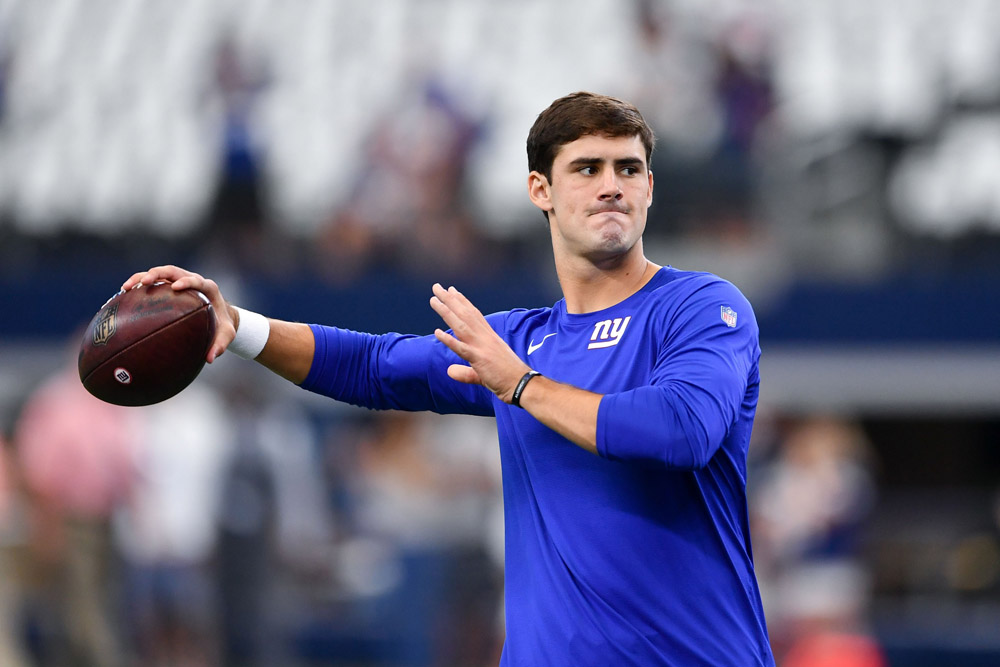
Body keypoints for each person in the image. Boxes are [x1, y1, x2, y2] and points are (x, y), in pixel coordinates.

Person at [123, 91, 774, 665]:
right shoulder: (520, 339)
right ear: (540, 191)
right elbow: (374, 366)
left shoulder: (699, 308)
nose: (612, 185)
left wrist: (521, 384)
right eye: (587, 168)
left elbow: (682, 428)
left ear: (650, 188)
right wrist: (242, 325)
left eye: (628, 168)